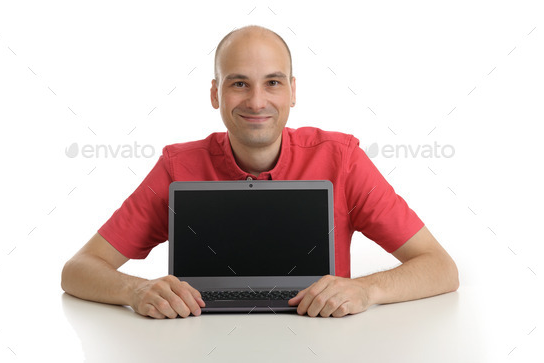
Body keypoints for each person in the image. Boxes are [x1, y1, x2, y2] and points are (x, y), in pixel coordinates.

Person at [61, 25, 459, 319]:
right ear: (215, 92)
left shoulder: (343, 159)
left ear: (292, 92)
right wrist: (137, 290)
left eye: (272, 82)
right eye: (238, 83)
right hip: (194, 342)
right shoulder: (177, 167)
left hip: (322, 339)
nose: (256, 101)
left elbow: (440, 267)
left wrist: (365, 290)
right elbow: (78, 269)